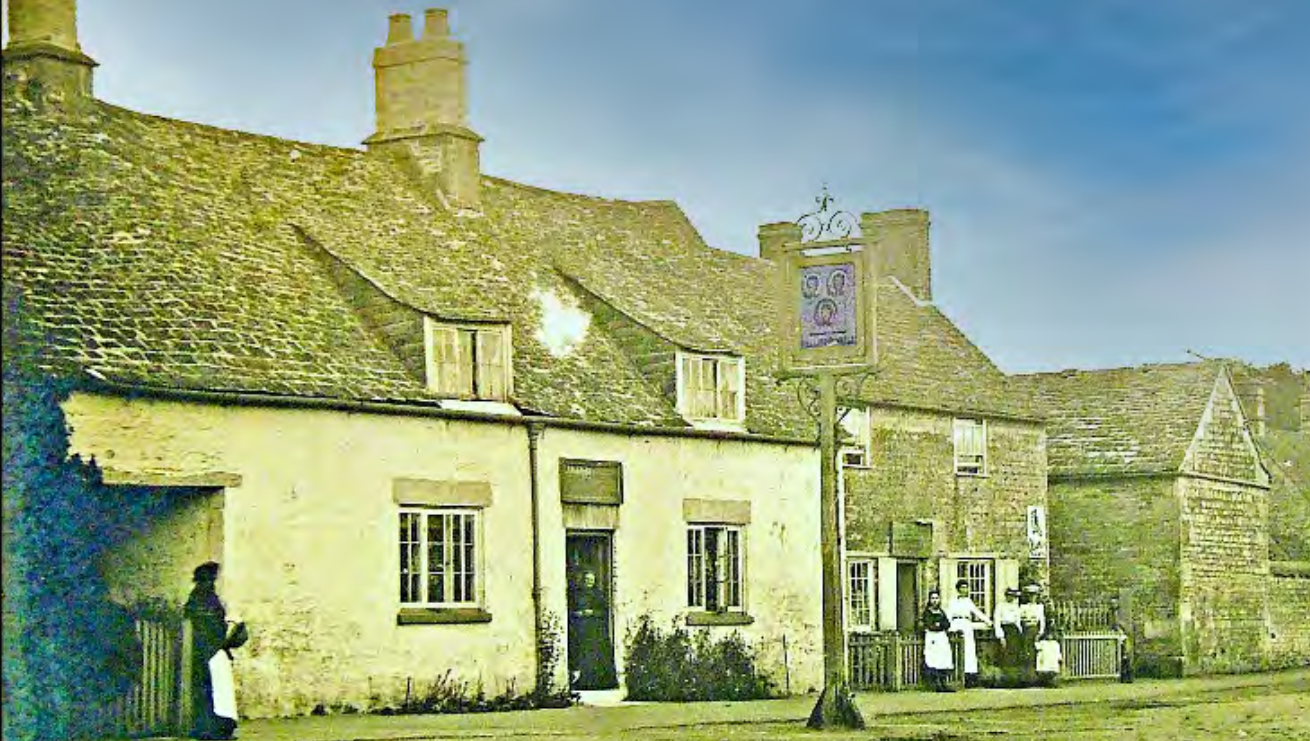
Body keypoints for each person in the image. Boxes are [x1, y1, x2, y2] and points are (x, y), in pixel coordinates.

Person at [185, 562, 237, 740]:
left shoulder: (206, 598)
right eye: (208, 579)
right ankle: (207, 727)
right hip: (204, 652)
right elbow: (207, 626)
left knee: (213, 691)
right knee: (207, 691)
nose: (211, 582)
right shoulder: (201, 599)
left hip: (211, 652)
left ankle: (212, 726)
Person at [567, 570, 616, 690]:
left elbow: (604, 611)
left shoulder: (598, 594)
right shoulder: (576, 595)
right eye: (586, 580)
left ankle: (600, 682)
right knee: (584, 655)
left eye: (591, 580)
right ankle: (585, 681)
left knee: (596, 655)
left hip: (595, 629)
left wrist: (593, 612)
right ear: (582, 581)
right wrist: (578, 613)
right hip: (581, 628)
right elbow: (570, 611)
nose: (588, 582)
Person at [945, 579, 992, 688]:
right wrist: (948, 627)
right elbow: (948, 614)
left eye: (966, 587)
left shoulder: (968, 601)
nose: (964, 590)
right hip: (956, 624)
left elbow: (977, 612)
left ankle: (970, 677)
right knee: (957, 650)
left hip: (966, 625)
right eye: (962, 587)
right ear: (958, 589)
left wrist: (988, 621)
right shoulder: (953, 601)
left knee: (969, 650)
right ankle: (957, 675)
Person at [920, 589, 954, 692]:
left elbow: (947, 624)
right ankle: (936, 683)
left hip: (942, 637)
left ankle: (944, 683)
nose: (935, 601)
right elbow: (930, 625)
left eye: (936, 598)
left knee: (944, 658)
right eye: (932, 598)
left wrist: (939, 624)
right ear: (929, 600)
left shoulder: (941, 612)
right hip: (932, 637)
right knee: (934, 659)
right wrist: (937, 625)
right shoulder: (927, 612)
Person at [1016, 584, 1047, 687]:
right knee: (1025, 653)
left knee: (1033, 653)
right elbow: (1018, 620)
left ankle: (1033, 678)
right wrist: (1021, 630)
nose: (1032, 597)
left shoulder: (1039, 607)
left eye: (1034, 595)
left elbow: (1042, 621)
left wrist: (1040, 632)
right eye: (1030, 595)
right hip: (1025, 630)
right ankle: (1025, 678)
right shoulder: (1022, 607)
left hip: (1034, 630)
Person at [993, 587, 1023, 688]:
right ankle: (1004, 680)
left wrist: (1020, 633)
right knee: (1005, 655)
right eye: (1009, 596)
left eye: (1013, 596)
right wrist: (1000, 636)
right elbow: (997, 621)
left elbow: (1018, 621)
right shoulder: (1000, 606)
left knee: (1014, 655)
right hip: (1005, 629)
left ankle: (1014, 680)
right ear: (1006, 596)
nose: (1011, 598)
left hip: (1014, 631)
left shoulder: (1016, 607)